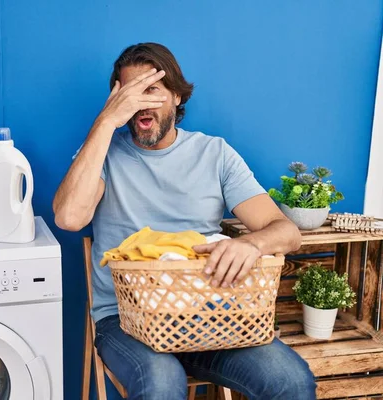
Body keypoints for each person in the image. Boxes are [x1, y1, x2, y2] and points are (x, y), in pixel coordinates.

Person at [53, 42, 317, 399]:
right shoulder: (102, 153)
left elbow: (286, 232)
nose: (142, 105)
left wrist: (251, 244)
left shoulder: (215, 154)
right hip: (126, 320)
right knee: (162, 384)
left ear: (177, 96)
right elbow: (69, 217)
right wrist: (105, 121)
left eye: (152, 91)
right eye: (132, 95)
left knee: (291, 379)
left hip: (209, 316)